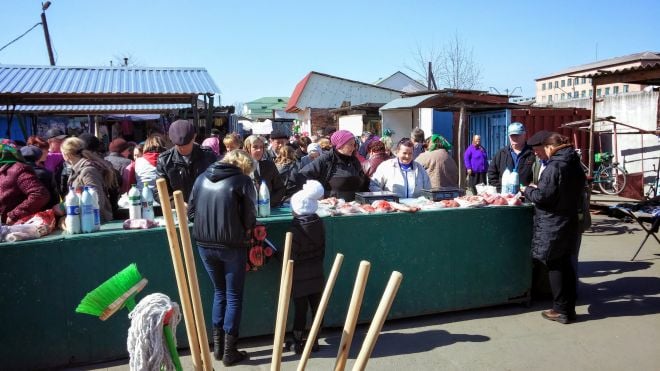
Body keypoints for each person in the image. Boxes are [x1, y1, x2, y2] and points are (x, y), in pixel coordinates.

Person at [188, 149, 256, 366]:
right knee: (233, 295)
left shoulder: (201, 178)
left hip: (204, 243)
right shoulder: (243, 180)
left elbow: (191, 213)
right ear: (244, 165)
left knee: (220, 292)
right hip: (231, 245)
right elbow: (250, 218)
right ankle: (229, 351)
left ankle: (218, 349)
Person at [521, 131, 585, 324]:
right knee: (566, 264)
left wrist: (529, 190)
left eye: (539, 150)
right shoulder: (574, 163)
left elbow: (543, 197)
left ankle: (560, 309)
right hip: (569, 220)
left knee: (555, 264)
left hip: (554, 222)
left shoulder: (555, 166)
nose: (537, 155)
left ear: (549, 147)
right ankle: (568, 308)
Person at [286, 180, 326, 354]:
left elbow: (290, 257)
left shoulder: (295, 231)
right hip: (317, 272)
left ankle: (297, 341)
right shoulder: (320, 224)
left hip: (300, 277)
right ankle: (314, 340)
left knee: (300, 310)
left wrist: (274, 254)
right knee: (317, 308)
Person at [156, 120, 217, 203]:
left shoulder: (207, 155)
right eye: (179, 145)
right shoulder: (164, 160)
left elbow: (217, 183)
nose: (183, 148)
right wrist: (175, 203)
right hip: (179, 210)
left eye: (186, 145)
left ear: (194, 137)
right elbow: (158, 191)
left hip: (204, 207)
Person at [300, 130, 369, 201]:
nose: (354, 148)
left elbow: (363, 183)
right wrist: (317, 194)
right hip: (332, 208)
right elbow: (303, 175)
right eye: (351, 144)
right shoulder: (326, 158)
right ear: (340, 145)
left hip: (354, 208)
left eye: (354, 145)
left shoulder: (354, 160)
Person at [61, 137, 117, 223]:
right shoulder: (77, 169)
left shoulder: (88, 171)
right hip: (87, 221)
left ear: (67, 155)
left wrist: (65, 207)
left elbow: (97, 201)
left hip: (97, 223)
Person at [0, 142, 50, 224]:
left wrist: (14, 215)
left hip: (15, 227)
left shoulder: (18, 169)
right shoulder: (2, 169)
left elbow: (40, 194)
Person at [487, 122, 535, 193]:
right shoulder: (501, 154)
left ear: (524, 135)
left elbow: (538, 176)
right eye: (512, 136)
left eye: (517, 135)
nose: (514, 138)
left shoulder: (533, 154)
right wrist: (501, 190)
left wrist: (528, 190)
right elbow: (492, 174)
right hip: (505, 198)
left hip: (526, 197)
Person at [243, 135, 285, 207]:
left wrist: (267, 203)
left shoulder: (269, 166)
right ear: (248, 148)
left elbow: (280, 188)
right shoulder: (240, 167)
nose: (259, 150)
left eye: (261, 147)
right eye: (255, 147)